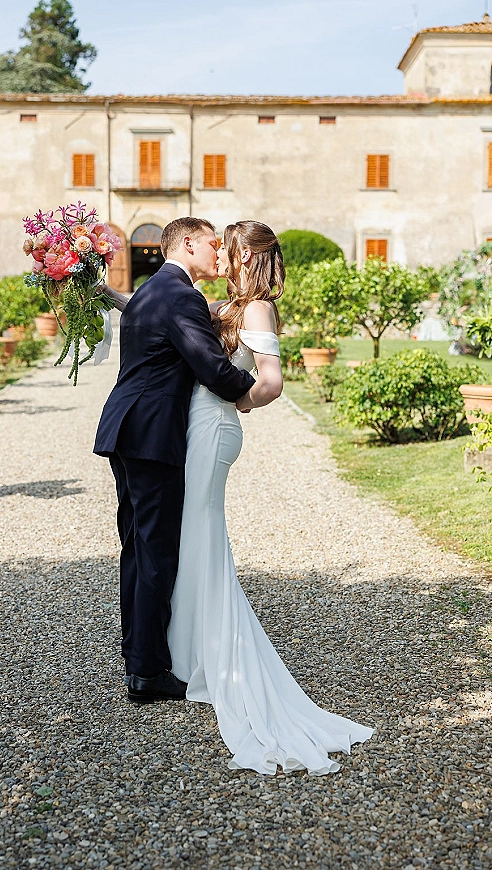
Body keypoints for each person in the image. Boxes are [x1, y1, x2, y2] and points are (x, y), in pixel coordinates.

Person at [167, 220, 374, 775]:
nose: (221, 257)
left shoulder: (257, 309)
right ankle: (192, 653)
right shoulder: (231, 304)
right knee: (195, 533)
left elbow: (272, 381)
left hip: (214, 429)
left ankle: (209, 658)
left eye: (227, 250)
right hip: (199, 425)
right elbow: (162, 312)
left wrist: (236, 403)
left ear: (245, 257)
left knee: (202, 532)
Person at [93, 217, 255, 704]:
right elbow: (211, 366)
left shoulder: (149, 290)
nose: (218, 252)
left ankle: (139, 654)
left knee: (138, 548)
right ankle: (147, 673)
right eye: (211, 243)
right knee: (156, 550)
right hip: (151, 435)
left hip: (127, 429)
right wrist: (253, 391)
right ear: (187, 243)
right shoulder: (178, 294)